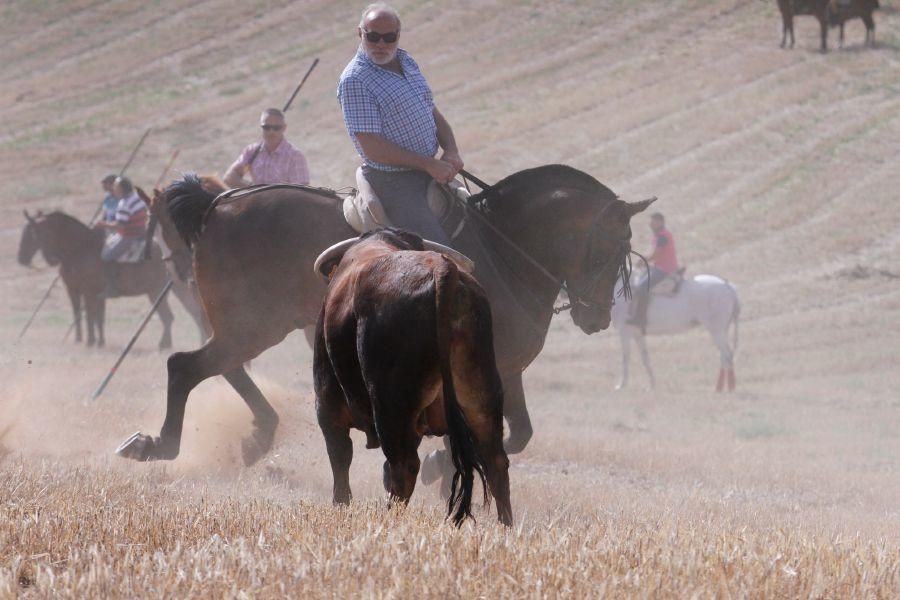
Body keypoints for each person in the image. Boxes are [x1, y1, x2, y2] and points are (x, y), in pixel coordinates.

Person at [337, 2, 464, 245]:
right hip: (394, 183)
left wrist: (451, 149)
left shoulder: (407, 61)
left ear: (398, 34)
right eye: (372, 37)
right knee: (440, 254)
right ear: (359, 33)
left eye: (389, 37)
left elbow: (430, 110)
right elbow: (371, 147)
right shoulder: (355, 79)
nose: (381, 45)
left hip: (429, 170)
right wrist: (428, 164)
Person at [223, 108, 310, 188]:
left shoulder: (295, 156)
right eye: (266, 127)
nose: (271, 131)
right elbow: (229, 178)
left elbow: (301, 193)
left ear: (284, 128)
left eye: (276, 127)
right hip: (256, 203)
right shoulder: (252, 151)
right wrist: (252, 188)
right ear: (261, 127)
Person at [96, 176, 148, 296]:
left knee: (106, 257)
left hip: (130, 235)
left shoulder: (124, 204)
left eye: (116, 188)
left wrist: (103, 224)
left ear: (122, 189)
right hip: (142, 230)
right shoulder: (136, 197)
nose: (114, 190)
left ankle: (112, 288)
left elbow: (120, 226)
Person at [627, 212, 679, 330]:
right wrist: (642, 259)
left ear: (660, 222)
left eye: (653, 222)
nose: (650, 224)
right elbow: (652, 251)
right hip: (659, 266)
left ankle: (640, 319)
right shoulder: (659, 235)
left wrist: (643, 261)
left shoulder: (662, 236)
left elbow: (656, 254)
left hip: (664, 269)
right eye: (650, 222)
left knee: (641, 288)